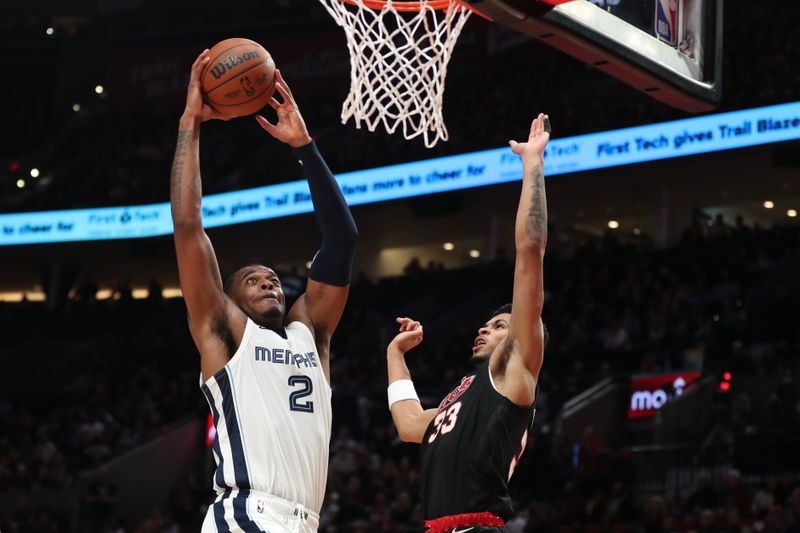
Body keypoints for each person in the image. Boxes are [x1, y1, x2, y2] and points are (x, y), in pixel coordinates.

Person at [170, 50, 358, 533]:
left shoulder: (311, 335)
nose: (268, 280)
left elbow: (342, 239)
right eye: (252, 279)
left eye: (272, 277)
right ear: (228, 299)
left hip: (304, 521)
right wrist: (190, 123)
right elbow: (190, 227)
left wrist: (305, 147)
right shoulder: (225, 334)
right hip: (248, 512)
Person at [385, 114, 551, 532]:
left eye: (498, 326)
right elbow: (408, 425)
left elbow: (530, 250)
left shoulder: (514, 370)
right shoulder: (460, 397)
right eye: (488, 324)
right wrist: (395, 354)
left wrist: (532, 166)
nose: (484, 329)